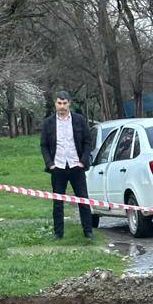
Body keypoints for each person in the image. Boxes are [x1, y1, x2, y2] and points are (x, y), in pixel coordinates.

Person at [40, 90, 94, 240]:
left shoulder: (79, 120)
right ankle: (58, 234)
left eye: (64, 103)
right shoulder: (48, 123)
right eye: (59, 103)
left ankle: (88, 232)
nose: (62, 106)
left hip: (76, 166)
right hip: (58, 167)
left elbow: (88, 142)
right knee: (58, 202)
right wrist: (50, 164)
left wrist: (83, 161)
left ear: (69, 103)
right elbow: (43, 145)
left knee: (83, 199)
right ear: (55, 104)